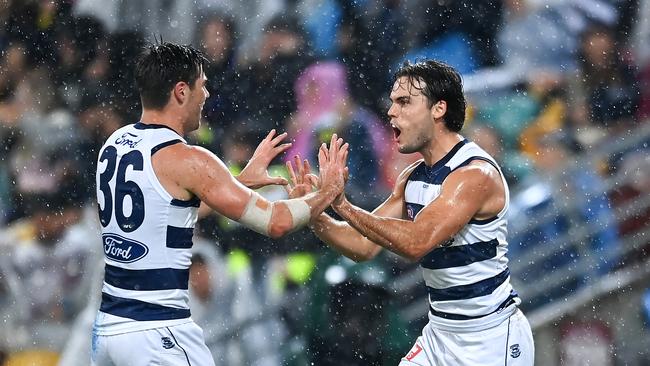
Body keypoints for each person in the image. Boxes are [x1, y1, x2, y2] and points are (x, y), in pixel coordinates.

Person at [91, 42, 349, 366]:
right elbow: (276, 222)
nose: (207, 95)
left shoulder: (114, 144)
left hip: (109, 327)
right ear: (181, 92)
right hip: (157, 328)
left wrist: (235, 185)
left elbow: (169, 213)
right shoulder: (189, 159)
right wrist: (328, 190)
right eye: (203, 85)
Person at [287, 60, 534, 365]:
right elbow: (363, 245)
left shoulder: (475, 174)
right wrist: (317, 214)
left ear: (438, 109)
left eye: (403, 102)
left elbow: (417, 241)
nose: (391, 112)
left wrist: (342, 204)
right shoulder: (413, 177)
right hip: (440, 332)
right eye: (392, 103)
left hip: (490, 336)